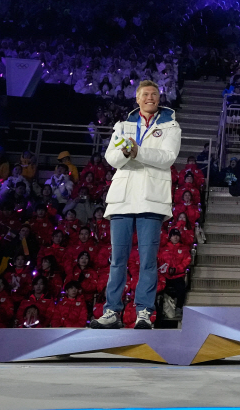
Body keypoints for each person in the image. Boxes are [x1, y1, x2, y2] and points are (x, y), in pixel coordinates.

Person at [88, 80, 180, 330]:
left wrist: (137, 152)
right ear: (137, 99)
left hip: (151, 198)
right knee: (118, 260)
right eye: (145, 95)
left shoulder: (171, 126)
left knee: (148, 260)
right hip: (123, 198)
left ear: (159, 99)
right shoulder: (123, 125)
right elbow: (112, 158)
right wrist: (126, 153)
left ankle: (144, 313)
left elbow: (167, 158)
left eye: (154, 94)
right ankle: (112, 311)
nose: (150, 97)